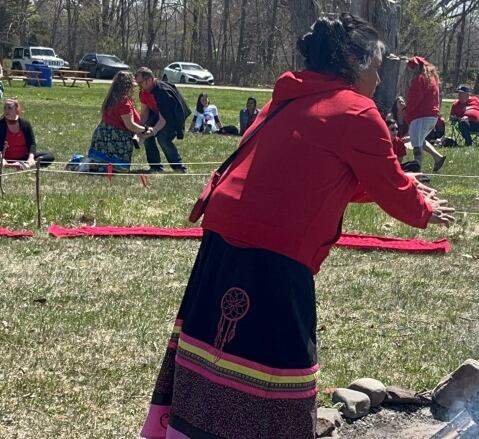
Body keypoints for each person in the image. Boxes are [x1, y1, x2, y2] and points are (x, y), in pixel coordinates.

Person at [140, 13, 454, 439]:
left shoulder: (288, 96)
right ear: (356, 63)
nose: (379, 80)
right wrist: (422, 206)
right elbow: (391, 190)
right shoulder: (357, 111)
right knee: (274, 361)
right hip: (274, 251)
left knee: (212, 344)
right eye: (377, 69)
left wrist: (407, 188)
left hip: (223, 236)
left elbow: (327, 179)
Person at [84, 71, 150, 171]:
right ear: (127, 87)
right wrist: (144, 129)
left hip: (101, 135)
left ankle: (96, 165)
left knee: (99, 163)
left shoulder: (112, 98)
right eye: (133, 87)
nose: (134, 89)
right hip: (116, 139)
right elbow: (130, 125)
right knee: (119, 168)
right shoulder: (123, 102)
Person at [135, 67, 190, 173]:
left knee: (163, 139)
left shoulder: (163, 92)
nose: (139, 86)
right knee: (146, 135)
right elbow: (145, 113)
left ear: (149, 79)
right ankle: (155, 167)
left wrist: (153, 130)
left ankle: (179, 167)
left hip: (173, 116)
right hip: (156, 114)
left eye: (140, 83)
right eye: (137, 83)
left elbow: (163, 118)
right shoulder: (144, 92)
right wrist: (140, 129)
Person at [405, 56, 447, 171]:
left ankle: (416, 169)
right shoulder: (432, 79)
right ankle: (438, 158)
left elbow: (415, 98)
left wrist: (407, 110)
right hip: (432, 117)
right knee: (419, 139)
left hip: (420, 116)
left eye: (412, 68)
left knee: (416, 145)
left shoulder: (419, 79)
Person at [0, 98, 54, 169]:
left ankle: (25, 164)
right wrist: (2, 159)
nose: (6, 110)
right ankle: (10, 165)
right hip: (5, 158)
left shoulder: (25, 124)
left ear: (16, 110)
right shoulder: (1, 124)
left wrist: (31, 158)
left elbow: (32, 144)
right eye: (5, 108)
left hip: (24, 158)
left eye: (9, 108)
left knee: (49, 156)